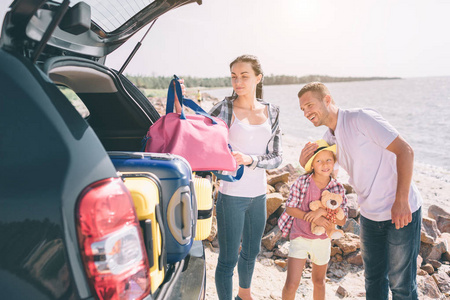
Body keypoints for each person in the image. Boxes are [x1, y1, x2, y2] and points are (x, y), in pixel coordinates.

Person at [297, 82, 423, 300]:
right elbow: (327, 184)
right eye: (302, 109)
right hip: (369, 216)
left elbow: (406, 151)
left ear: (327, 100)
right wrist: (305, 166)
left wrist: (401, 201)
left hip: (401, 213)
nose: (307, 112)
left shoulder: (361, 119)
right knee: (373, 281)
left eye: (309, 105)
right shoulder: (328, 141)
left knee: (401, 285)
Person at [208, 54, 282, 300]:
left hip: (259, 195)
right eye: (233, 76)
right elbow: (201, 137)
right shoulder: (224, 108)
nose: (237, 82)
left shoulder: (272, 111)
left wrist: (252, 160)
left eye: (244, 76)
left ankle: (245, 295)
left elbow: (277, 157)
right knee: (227, 259)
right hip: (231, 197)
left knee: (252, 252)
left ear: (258, 78)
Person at [278, 140, 347, 300]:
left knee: (319, 281)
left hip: (323, 240)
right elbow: (289, 208)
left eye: (328, 159)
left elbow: (343, 221)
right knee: (291, 284)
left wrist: (323, 212)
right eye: (319, 160)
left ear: (334, 162)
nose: (325, 164)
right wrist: (310, 216)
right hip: (300, 236)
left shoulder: (338, 188)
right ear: (312, 165)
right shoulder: (302, 183)